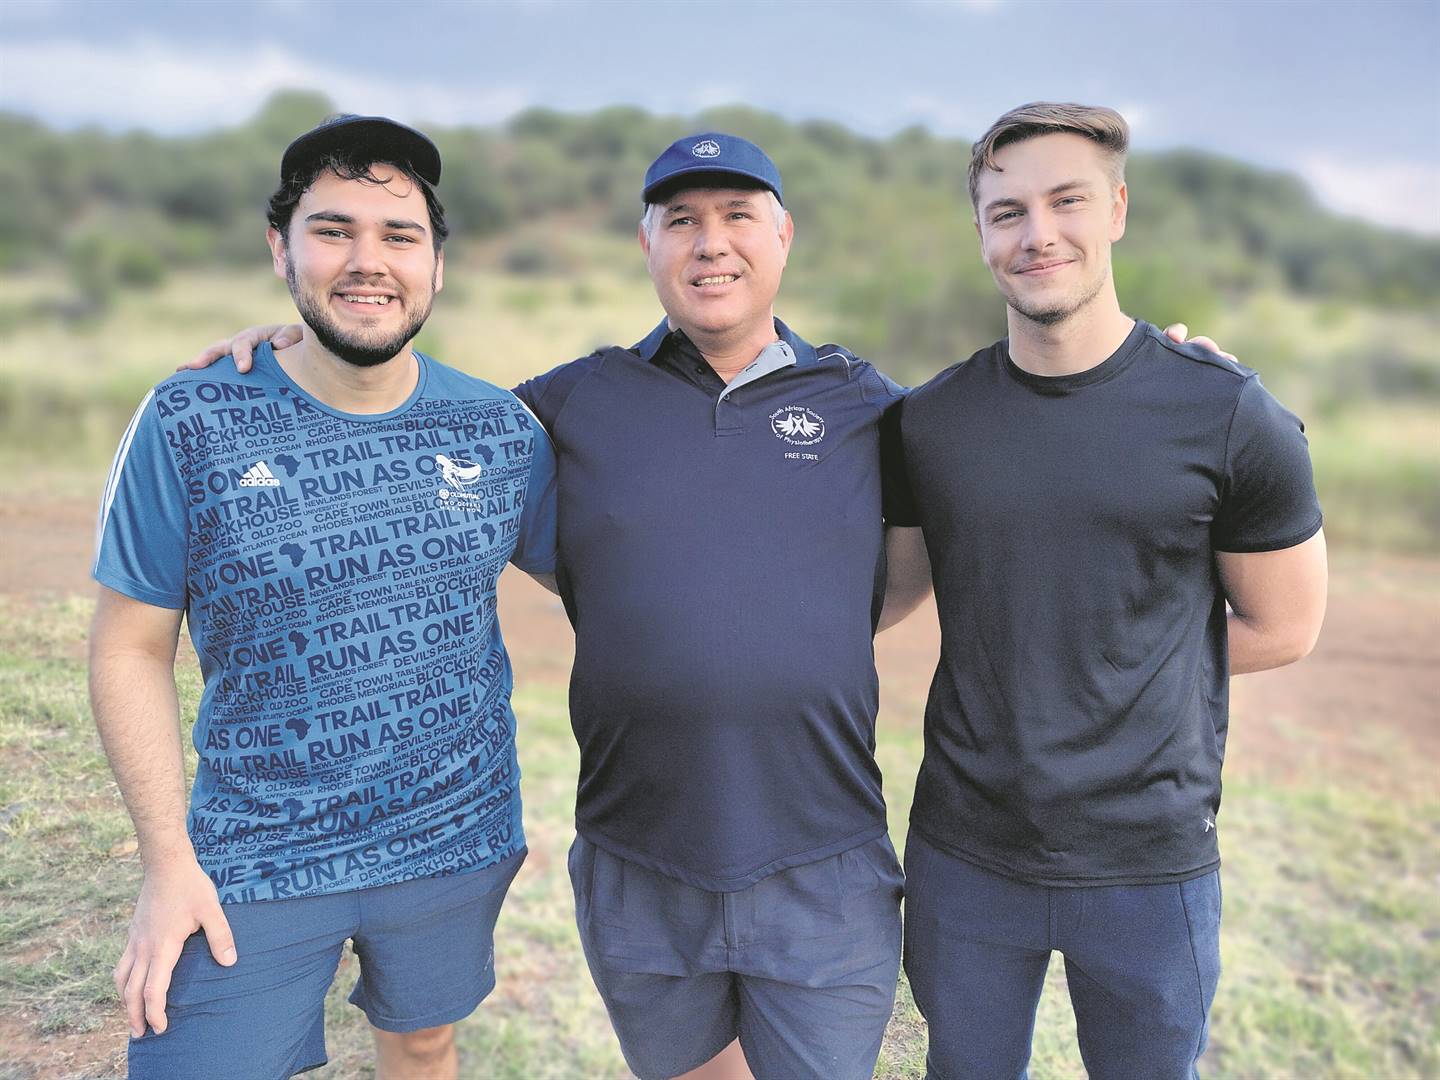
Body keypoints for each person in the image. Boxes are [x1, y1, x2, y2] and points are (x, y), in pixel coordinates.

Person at [187, 128, 1226, 1080]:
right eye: (680, 219)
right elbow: (406, 412)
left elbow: (973, 491)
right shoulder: (567, 403)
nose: (710, 242)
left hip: (821, 855)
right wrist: (299, 345)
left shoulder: (873, 407)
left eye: (736, 215)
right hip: (639, 854)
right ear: (646, 245)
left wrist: (1162, 371)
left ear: (783, 235)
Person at [89, 114, 557, 1080]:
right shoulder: (192, 417)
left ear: (437, 266)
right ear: (281, 249)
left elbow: (614, 584)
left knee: (423, 1041)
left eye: (399, 235)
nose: (367, 261)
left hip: (454, 834)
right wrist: (167, 864)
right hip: (252, 852)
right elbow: (130, 647)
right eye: (333, 230)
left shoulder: (501, 429)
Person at [886, 102, 1328, 1079]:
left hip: (1148, 861)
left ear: (1117, 209)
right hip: (966, 851)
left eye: (1068, 201)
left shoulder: (1228, 413)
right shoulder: (929, 423)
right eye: (1008, 211)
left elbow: (1287, 625)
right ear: (980, 232)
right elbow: (884, 596)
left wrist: (1118, 662)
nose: (1038, 233)